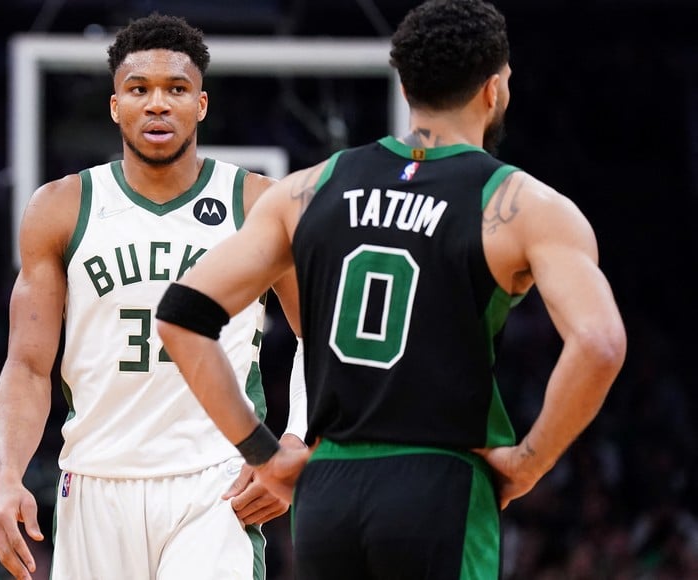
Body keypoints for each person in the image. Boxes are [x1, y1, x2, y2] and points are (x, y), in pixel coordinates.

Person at [155, 0, 628, 578]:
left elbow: (180, 316)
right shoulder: (525, 204)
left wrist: (264, 454)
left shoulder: (307, 189)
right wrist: (530, 461)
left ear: (404, 86)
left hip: (328, 492)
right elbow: (600, 343)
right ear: (494, 89)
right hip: (440, 483)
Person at [0, 12, 307, 580]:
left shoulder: (260, 202)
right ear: (116, 107)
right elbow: (29, 365)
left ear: (200, 105)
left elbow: (321, 336)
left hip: (215, 479)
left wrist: (295, 441)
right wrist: (7, 474)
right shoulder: (61, 207)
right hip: (95, 480)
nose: (157, 104)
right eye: (139, 90)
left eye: (176, 89)